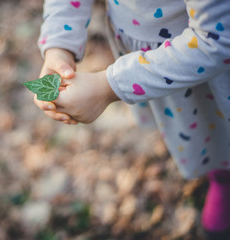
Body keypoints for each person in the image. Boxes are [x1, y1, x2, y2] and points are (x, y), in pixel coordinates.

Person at [32, 0, 230, 239]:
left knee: (221, 121)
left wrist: (108, 87)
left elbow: (216, 39)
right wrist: (58, 46)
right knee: (204, 128)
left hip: (207, 66)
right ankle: (221, 175)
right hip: (156, 66)